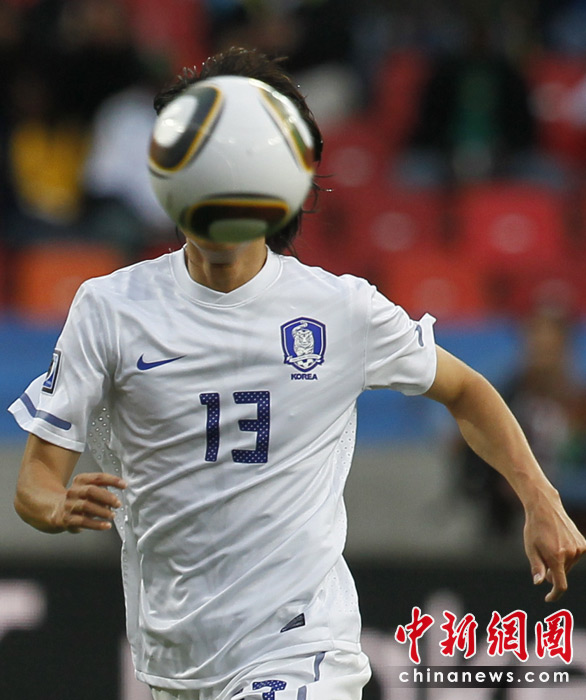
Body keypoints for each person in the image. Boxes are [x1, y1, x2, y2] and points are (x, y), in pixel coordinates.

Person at [9, 47, 586, 700]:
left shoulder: (340, 310)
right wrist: (56, 506)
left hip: (301, 648)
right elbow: (36, 479)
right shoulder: (110, 309)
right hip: (175, 660)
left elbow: (465, 388)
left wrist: (541, 499)